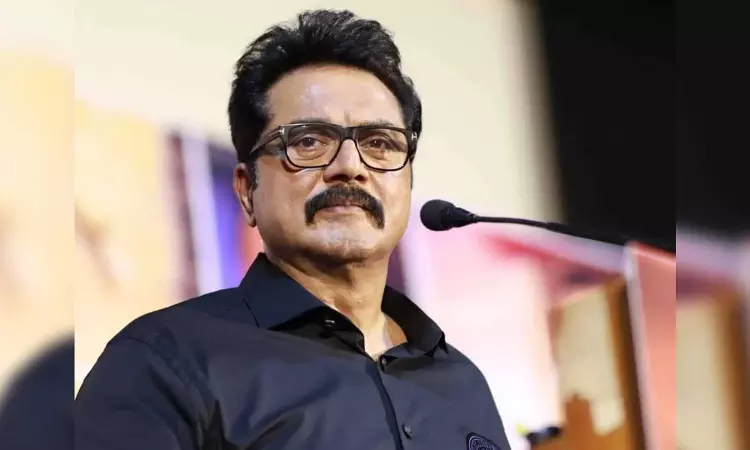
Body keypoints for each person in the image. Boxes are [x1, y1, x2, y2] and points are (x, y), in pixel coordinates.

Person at [75, 9, 510, 450]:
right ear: (247, 191)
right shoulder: (163, 360)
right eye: (309, 142)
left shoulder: (462, 382)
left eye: (379, 143)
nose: (350, 166)